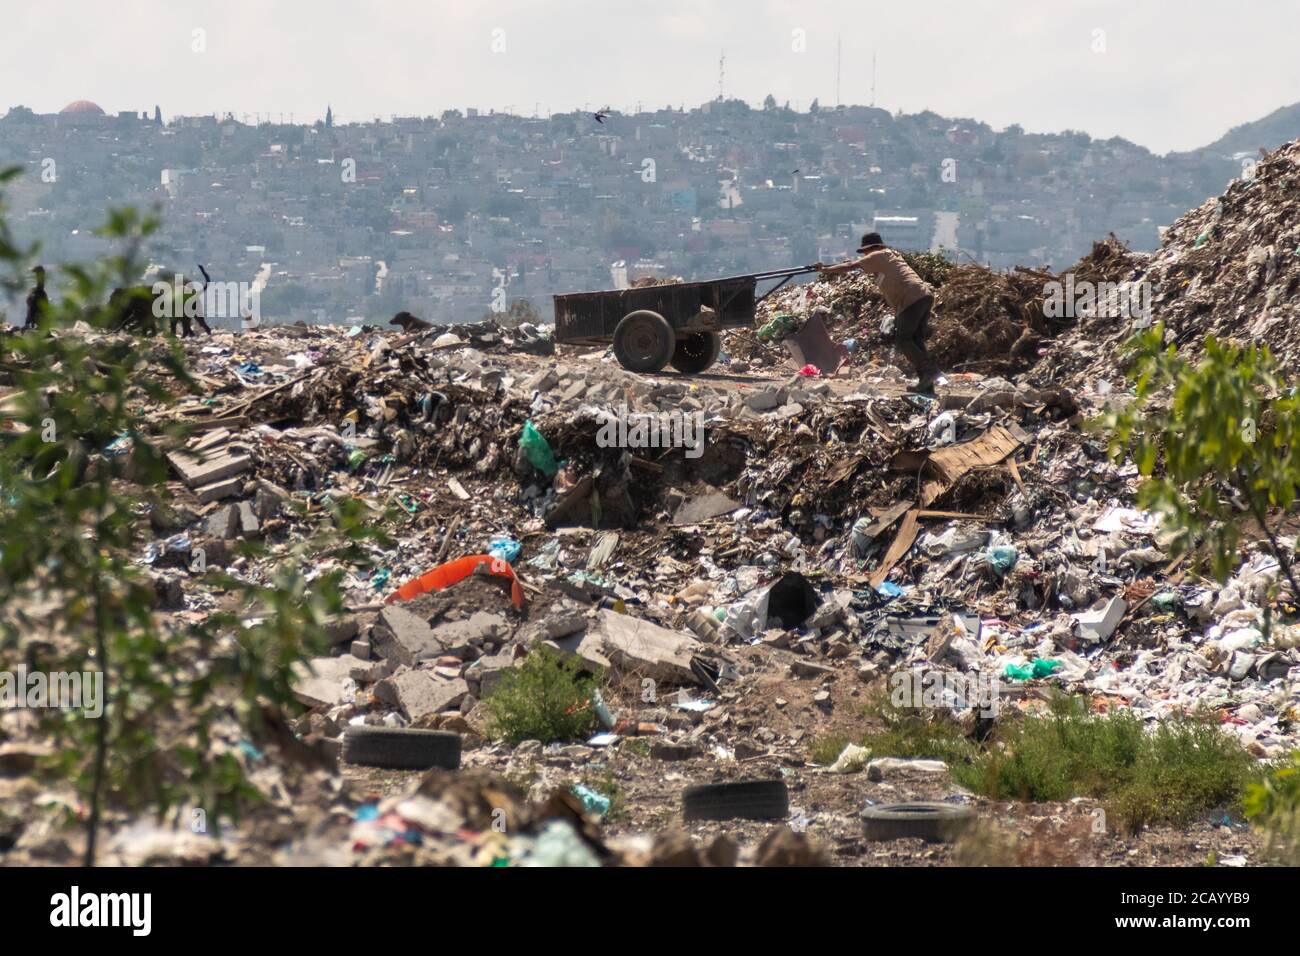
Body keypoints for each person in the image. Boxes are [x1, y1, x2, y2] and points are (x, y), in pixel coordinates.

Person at [815, 232, 938, 392]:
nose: (866, 255)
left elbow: (850, 267)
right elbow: (861, 266)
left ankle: (929, 372)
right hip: (923, 296)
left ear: (872, 248)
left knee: (903, 339)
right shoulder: (888, 256)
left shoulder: (877, 255)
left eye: (866, 251)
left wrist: (825, 269)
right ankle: (926, 384)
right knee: (915, 339)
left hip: (911, 299)